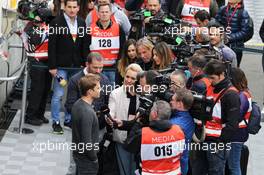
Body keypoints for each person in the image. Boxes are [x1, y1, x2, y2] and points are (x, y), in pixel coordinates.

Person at [192, 59, 240, 175]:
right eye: (208, 77)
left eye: (212, 78)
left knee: (216, 172)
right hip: (203, 138)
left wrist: (220, 142)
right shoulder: (210, 87)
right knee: (198, 170)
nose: (209, 80)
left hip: (217, 143)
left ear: (221, 74)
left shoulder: (231, 95)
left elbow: (232, 124)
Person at [48, 0, 89, 134]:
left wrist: (86, 63)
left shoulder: (82, 23)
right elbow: (52, 46)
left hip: (77, 67)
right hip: (60, 67)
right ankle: (56, 122)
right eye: (69, 7)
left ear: (78, 8)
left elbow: (84, 45)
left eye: (74, 7)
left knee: (74, 95)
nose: (72, 10)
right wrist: (52, 66)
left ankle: (68, 119)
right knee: (58, 94)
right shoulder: (56, 22)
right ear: (64, 7)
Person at [125, 100, 185, 175]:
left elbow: (128, 145)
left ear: (154, 114)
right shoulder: (179, 130)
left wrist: (137, 123)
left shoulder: (143, 134)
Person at [108, 63, 142, 175]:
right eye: (127, 76)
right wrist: (110, 119)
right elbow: (111, 111)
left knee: (135, 170)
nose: (128, 80)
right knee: (125, 171)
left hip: (138, 139)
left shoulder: (142, 95)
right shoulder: (115, 93)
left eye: (133, 78)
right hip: (122, 138)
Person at [89, 3, 126, 84]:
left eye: (106, 12)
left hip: (113, 68)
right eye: (102, 12)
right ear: (98, 14)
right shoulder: (91, 28)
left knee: (112, 92)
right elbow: (85, 46)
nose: (104, 14)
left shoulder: (118, 28)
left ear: (110, 13)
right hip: (96, 68)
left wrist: (119, 63)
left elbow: (123, 46)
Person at [71, 74, 101, 175]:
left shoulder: (77, 104)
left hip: (78, 155)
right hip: (86, 159)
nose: (100, 89)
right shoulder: (87, 112)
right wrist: (94, 158)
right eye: (97, 87)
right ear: (89, 91)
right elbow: (86, 141)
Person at [24, 18, 51, 126]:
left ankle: (40, 114)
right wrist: (39, 27)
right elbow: (34, 42)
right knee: (37, 89)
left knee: (46, 89)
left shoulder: (48, 24)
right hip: (36, 61)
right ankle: (30, 116)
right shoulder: (29, 26)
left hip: (48, 60)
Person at [227, 67, 251, 175]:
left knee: (234, 165)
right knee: (233, 163)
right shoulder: (244, 93)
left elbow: (237, 116)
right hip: (238, 133)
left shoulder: (242, 96)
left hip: (237, 134)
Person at [215, 0, 251, 67]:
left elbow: (245, 32)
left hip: (236, 46)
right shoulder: (222, 9)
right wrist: (221, 32)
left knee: (234, 68)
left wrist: (229, 37)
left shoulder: (243, 13)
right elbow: (216, 23)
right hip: (221, 44)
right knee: (219, 66)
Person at [170, 88, 194, 175]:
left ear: (180, 104)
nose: (170, 102)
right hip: (182, 164)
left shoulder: (174, 125)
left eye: (172, 100)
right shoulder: (188, 118)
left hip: (175, 167)